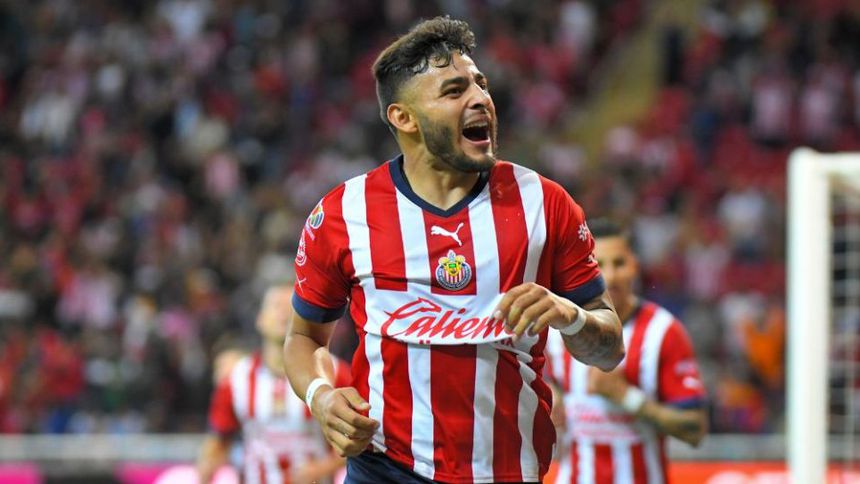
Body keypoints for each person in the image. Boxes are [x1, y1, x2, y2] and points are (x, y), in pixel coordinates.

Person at [283, 16, 625, 483]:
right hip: (385, 468)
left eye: (481, 84)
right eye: (454, 90)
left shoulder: (545, 204)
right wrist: (320, 396)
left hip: (507, 471)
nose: (480, 98)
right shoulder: (345, 212)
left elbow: (609, 350)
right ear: (403, 118)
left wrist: (571, 316)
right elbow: (303, 338)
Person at [545, 219, 708, 484]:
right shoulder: (559, 331)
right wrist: (551, 400)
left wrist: (627, 397)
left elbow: (695, 429)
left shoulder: (663, 332)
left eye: (619, 263)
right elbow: (550, 392)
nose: (610, 276)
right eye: (599, 265)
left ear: (635, 266)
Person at [197, 284, 349, 484]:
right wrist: (205, 472)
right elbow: (216, 444)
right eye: (276, 306)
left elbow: (357, 441)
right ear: (260, 319)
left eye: (291, 307)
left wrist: (320, 469)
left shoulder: (335, 373)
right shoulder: (236, 378)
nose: (283, 314)